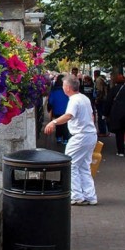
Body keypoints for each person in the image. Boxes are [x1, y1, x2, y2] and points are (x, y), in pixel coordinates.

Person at [44, 74, 98, 205]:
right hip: (90, 134)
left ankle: (76, 195)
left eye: (63, 85)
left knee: (70, 164)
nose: (63, 88)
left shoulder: (74, 100)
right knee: (84, 166)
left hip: (79, 136)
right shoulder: (84, 98)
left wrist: (53, 122)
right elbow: (91, 116)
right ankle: (90, 196)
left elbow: (69, 115)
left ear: (67, 87)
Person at [47, 74, 70, 144]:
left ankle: (58, 138)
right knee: (65, 125)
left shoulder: (54, 90)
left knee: (58, 123)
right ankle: (66, 139)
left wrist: (49, 107)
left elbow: (51, 100)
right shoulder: (67, 89)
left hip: (57, 110)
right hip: (67, 110)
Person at [93, 70, 109, 135]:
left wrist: (97, 99)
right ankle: (104, 130)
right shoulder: (102, 79)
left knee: (100, 115)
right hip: (103, 99)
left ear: (94, 74)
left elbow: (99, 91)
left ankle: (102, 131)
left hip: (101, 100)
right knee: (102, 115)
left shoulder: (98, 80)